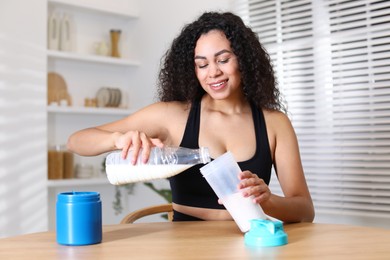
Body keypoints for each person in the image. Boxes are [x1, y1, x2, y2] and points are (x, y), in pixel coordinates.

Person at [67, 12, 315, 223]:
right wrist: (118, 140)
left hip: (252, 242)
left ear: (244, 60)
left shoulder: (274, 123)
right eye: (202, 64)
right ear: (192, 70)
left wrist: (267, 200)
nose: (214, 72)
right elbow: (77, 141)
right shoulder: (173, 115)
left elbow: (305, 210)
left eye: (223, 59)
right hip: (185, 247)